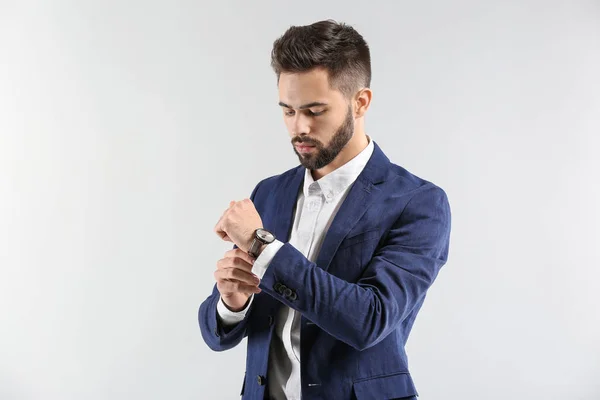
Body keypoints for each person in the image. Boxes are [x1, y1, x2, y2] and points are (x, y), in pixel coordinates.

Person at [198, 19, 451, 400]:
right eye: (288, 111)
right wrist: (232, 303)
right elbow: (217, 334)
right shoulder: (269, 192)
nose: (299, 127)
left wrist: (261, 245)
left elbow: (369, 320)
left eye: (315, 111)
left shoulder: (418, 202)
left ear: (360, 102)